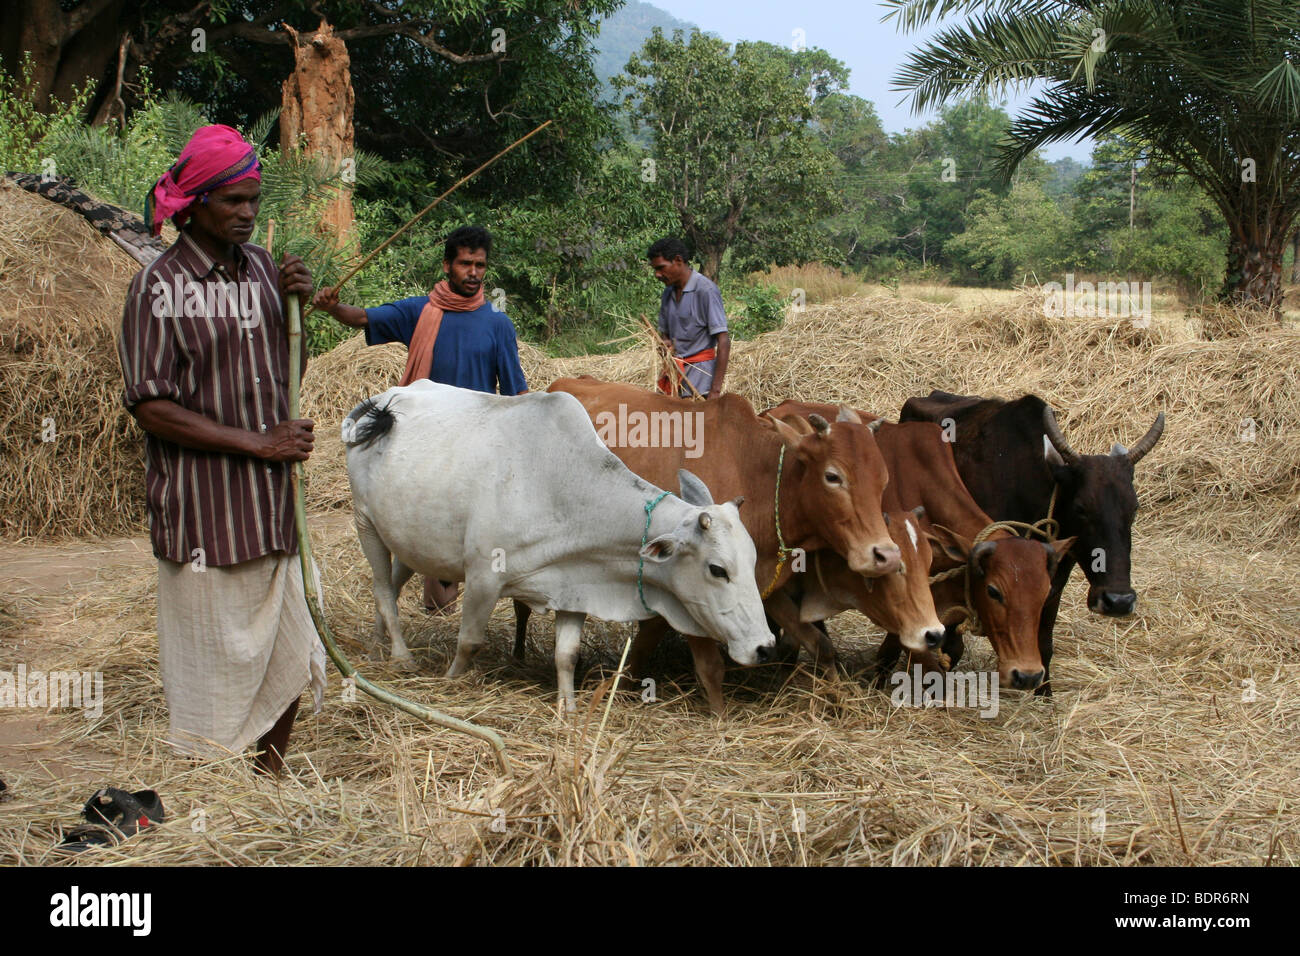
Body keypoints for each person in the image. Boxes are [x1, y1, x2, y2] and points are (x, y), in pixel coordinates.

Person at [118, 124, 326, 776]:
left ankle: (267, 784)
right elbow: (150, 406)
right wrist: (257, 443)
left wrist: (297, 311)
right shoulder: (159, 287)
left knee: (291, 648)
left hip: (273, 506)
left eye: (254, 200)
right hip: (206, 511)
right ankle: (211, 788)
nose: (247, 213)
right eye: (233, 200)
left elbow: (288, 368)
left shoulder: (262, 270)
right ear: (197, 202)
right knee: (213, 663)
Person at [312, 225, 528, 611]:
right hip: (425, 444)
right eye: (465, 263)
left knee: (469, 533)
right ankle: (425, 593)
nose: (474, 272)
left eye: (480, 265)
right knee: (426, 527)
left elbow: (516, 395)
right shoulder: (419, 311)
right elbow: (362, 318)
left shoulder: (498, 323)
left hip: (475, 447)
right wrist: (331, 307)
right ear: (447, 265)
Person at [647, 237, 730, 399]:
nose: (657, 275)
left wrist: (715, 391)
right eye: (655, 269)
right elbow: (665, 335)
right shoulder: (667, 293)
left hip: (700, 383)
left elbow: (724, 341)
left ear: (678, 260)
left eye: (661, 268)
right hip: (674, 376)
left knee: (696, 423)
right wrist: (665, 343)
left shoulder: (706, 290)